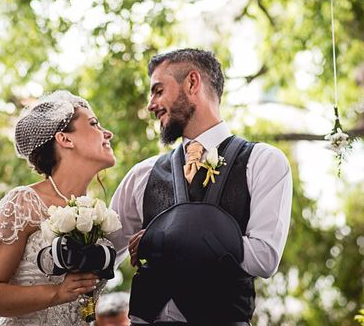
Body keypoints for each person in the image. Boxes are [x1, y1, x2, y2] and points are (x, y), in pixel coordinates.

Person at [109, 48, 293, 325]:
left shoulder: (263, 162)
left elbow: (264, 257)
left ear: (192, 83)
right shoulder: (142, 175)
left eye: (158, 91)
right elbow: (106, 252)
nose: (151, 104)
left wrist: (164, 239)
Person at [0, 90, 116, 325]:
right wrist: (55, 294)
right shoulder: (24, 203)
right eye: (94, 124)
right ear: (65, 139)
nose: (108, 133)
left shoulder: (96, 213)